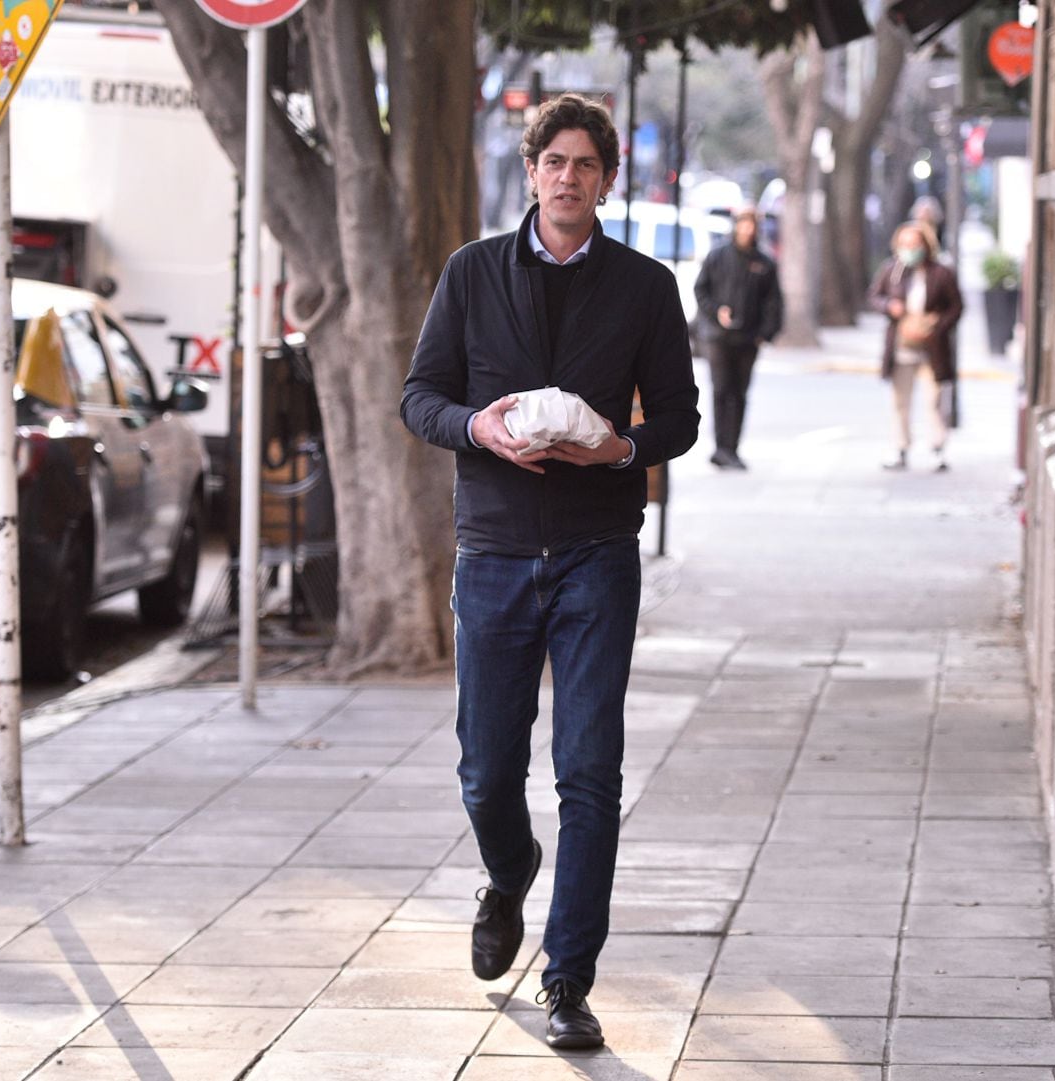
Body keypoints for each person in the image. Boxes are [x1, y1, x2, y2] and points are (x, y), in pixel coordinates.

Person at [399, 94, 700, 1052]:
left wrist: (620, 449)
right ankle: (509, 866)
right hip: (490, 548)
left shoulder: (646, 287)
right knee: (488, 771)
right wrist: (477, 427)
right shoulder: (472, 273)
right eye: (553, 162)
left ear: (608, 179)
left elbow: (682, 421)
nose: (568, 177)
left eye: (585, 163)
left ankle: (569, 979)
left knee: (589, 773)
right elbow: (421, 396)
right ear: (530, 173)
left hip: (597, 554)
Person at [692, 206, 783, 469]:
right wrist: (715, 312)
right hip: (718, 337)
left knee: (739, 394)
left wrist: (765, 334)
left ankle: (732, 447)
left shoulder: (764, 262)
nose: (747, 229)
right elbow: (701, 289)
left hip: (748, 338)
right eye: (743, 224)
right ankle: (720, 447)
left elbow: (773, 302)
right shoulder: (717, 257)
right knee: (721, 390)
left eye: (751, 224)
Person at [868, 221, 963, 471]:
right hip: (902, 345)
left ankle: (937, 447)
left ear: (926, 245)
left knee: (935, 399)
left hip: (932, 347)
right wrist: (890, 307)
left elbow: (956, 307)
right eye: (905, 244)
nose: (910, 249)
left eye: (915, 244)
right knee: (901, 399)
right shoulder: (892, 270)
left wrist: (937, 324)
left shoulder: (941, 273)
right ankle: (900, 447)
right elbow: (875, 296)